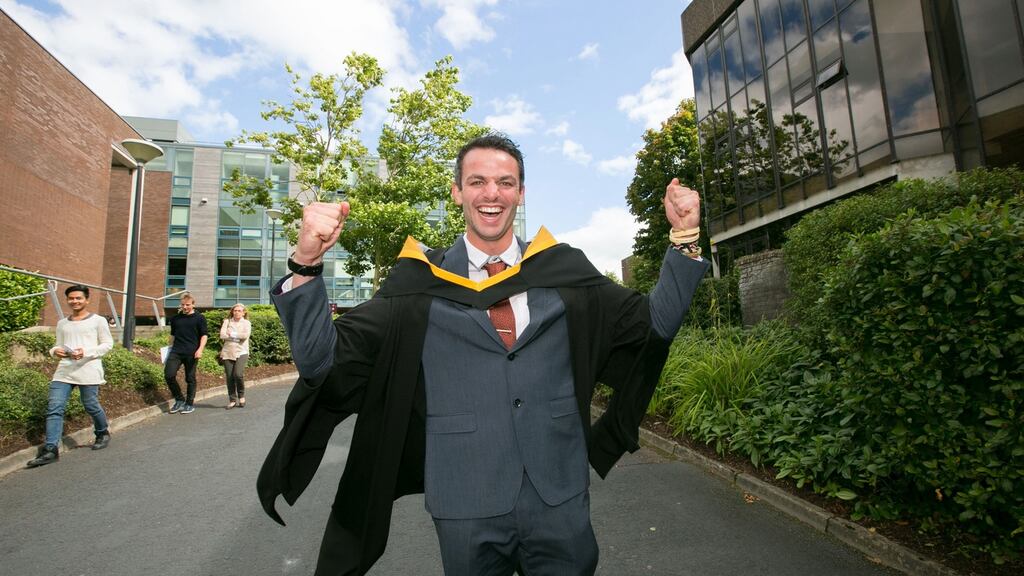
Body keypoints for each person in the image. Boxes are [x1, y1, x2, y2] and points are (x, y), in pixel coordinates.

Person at [258, 134, 709, 575]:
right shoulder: (417, 285)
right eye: (477, 181)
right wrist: (305, 262)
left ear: (521, 193)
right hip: (464, 498)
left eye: (505, 182)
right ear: (457, 192)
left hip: (559, 492)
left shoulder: (564, 272)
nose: (491, 193)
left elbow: (654, 325)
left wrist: (685, 236)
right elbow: (321, 361)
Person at [27, 285, 114, 468]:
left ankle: (102, 431)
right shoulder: (62, 323)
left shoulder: (98, 321)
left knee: (90, 405)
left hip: (88, 369)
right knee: (54, 407)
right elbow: (57, 345)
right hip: (64, 370)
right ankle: (51, 449)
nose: (74, 301)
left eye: (78, 298)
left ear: (87, 300)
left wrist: (86, 352)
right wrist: (55, 351)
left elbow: (107, 345)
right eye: (71, 298)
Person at [165, 292, 207, 414]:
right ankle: (179, 399)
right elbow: (172, 335)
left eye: (187, 305)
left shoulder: (199, 318)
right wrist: (168, 348)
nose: (185, 307)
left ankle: (189, 403)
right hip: (176, 351)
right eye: (183, 304)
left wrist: (200, 350)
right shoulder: (176, 318)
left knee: (190, 378)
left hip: (192, 353)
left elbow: (204, 335)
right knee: (169, 375)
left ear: (193, 304)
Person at [219, 303, 252, 409]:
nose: (237, 312)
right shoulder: (227, 322)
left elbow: (245, 336)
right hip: (228, 352)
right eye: (235, 310)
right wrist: (236, 336)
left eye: (239, 310)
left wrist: (231, 334)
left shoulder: (247, 323)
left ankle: (241, 396)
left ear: (243, 313)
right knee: (229, 377)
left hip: (242, 352)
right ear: (232, 312)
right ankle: (232, 399)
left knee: (238, 374)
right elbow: (222, 335)